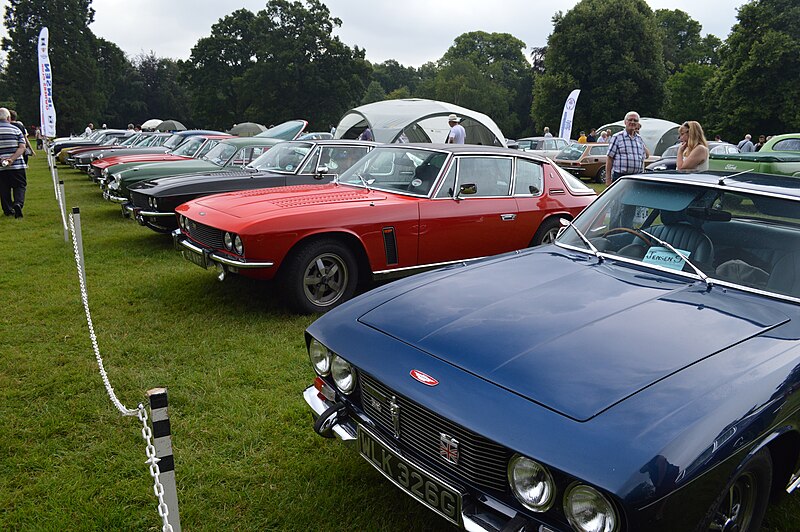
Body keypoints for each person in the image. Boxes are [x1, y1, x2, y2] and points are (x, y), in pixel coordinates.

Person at [605, 111, 646, 186]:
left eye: (635, 120)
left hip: (636, 177)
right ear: (625, 122)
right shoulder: (617, 137)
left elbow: (642, 159)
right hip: (620, 177)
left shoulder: (640, 139)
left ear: (638, 123)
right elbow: (609, 158)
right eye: (630, 120)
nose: (632, 122)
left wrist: (642, 176)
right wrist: (608, 179)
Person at [0, 107, 28, 218]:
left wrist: (2, 160)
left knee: (3, 188)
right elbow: (22, 147)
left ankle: (8, 210)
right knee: (20, 186)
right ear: (8, 118)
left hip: (1, 167)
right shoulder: (16, 130)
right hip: (17, 165)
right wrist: (12, 159)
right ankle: (18, 204)